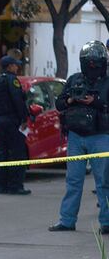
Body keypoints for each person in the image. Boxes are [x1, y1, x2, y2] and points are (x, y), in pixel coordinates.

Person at [49, 40, 109, 232]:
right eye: (89, 62)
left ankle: (107, 222)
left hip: (101, 135)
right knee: (73, 181)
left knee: (104, 182)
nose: (92, 66)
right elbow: (59, 104)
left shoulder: (107, 82)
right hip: (75, 136)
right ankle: (67, 220)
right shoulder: (74, 80)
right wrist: (70, 99)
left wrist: (95, 101)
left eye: (95, 63)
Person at [0, 54, 31, 195]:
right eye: (15, 65)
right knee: (18, 153)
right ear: (10, 66)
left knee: (3, 153)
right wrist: (24, 118)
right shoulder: (12, 80)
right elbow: (18, 101)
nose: (17, 68)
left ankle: (1, 186)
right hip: (12, 121)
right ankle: (15, 186)